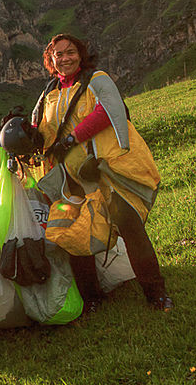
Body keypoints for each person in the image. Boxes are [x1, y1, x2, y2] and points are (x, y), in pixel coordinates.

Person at [30, 33, 173, 312]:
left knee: (130, 226)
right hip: (71, 180)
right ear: (51, 60)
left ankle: (156, 293)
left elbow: (107, 110)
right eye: (58, 54)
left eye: (70, 52)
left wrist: (73, 139)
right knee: (73, 233)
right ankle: (92, 298)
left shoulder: (96, 80)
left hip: (105, 170)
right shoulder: (49, 93)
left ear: (80, 54)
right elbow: (43, 131)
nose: (65, 58)